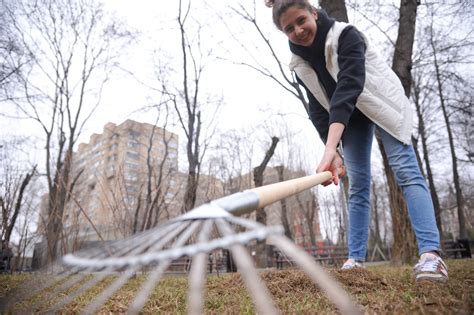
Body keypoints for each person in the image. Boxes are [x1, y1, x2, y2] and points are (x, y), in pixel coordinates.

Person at [264, 0, 448, 283]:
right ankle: (356, 260)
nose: (298, 30)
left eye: (301, 20)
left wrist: (329, 149)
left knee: (405, 170)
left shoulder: (345, 35)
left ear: (314, 13)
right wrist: (334, 150)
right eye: (289, 28)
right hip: (349, 117)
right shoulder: (299, 63)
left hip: (379, 101)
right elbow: (317, 108)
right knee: (358, 185)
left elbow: (349, 86)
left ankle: (431, 257)